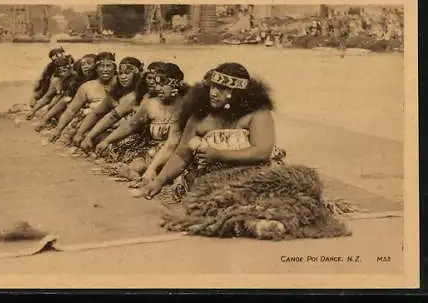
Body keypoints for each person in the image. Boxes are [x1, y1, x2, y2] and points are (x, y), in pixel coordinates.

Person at [140, 63, 351, 241]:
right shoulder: (200, 116)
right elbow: (181, 155)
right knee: (218, 202)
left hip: (254, 171)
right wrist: (159, 180)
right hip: (210, 177)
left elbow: (261, 151)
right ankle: (254, 225)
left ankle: (262, 221)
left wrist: (219, 154)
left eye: (223, 89)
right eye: (214, 86)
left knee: (285, 194)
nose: (215, 92)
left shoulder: (257, 114)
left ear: (239, 93)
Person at [92, 62, 190, 183]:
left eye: (163, 84)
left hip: (175, 153)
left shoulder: (186, 107)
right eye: (157, 83)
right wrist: (107, 141)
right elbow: (131, 125)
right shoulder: (150, 103)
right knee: (132, 167)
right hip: (152, 150)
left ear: (176, 85)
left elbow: (171, 144)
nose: (158, 88)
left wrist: (151, 169)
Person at [78, 61, 164, 152]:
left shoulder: (170, 99)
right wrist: (89, 136)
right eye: (149, 78)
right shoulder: (135, 97)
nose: (152, 82)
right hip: (132, 138)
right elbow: (111, 117)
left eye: (157, 79)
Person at [69, 56, 144, 151]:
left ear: (137, 74)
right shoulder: (115, 94)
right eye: (120, 73)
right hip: (116, 132)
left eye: (127, 73)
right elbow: (97, 114)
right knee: (85, 137)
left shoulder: (141, 95)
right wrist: (82, 133)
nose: (123, 77)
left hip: (137, 136)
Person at [48, 52, 117, 145]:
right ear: (96, 68)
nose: (105, 69)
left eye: (108, 66)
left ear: (114, 68)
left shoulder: (122, 84)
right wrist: (57, 130)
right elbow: (71, 111)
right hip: (90, 127)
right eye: (101, 66)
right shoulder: (86, 87)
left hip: (115, 127)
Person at [34, 53, 98, 132]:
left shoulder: (104, 81)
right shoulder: (77, 81)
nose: (85, 66)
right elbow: (62, 100)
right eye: (83, 64)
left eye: (89, 63)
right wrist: (44, 117)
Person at [26, 53, 76, 121]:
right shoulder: (56, 79)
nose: (62, 73)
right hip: (62, 102)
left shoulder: (74, 79)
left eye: (64, 70)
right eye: (59, 71)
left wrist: (48, 110)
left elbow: (61, 100)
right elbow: (48, 97)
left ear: (70, 68)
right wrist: (33, 111)